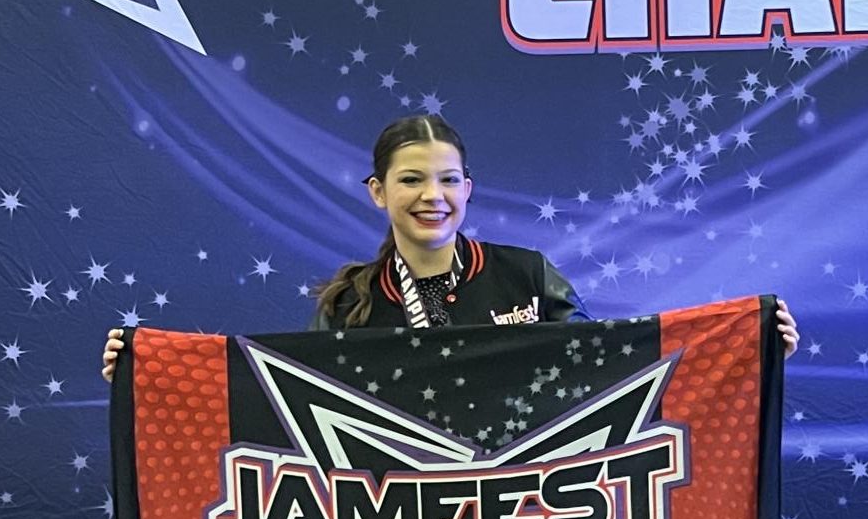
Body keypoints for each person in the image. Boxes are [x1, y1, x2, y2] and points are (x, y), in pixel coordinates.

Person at [102, 111, 798, 376]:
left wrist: (746, 346)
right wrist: (152, 372)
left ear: (470, 189)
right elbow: (284, 399)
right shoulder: (348, 304)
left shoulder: (527, 276)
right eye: (410, 179)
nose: (430, 196)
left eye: (446, 180)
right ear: (377, 191)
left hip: (522, 503)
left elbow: (605, 370)